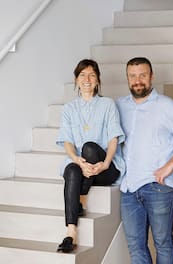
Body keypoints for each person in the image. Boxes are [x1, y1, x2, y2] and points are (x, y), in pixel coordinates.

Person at [116, 57, 173, 264]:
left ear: (151, 77)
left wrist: (169, 166)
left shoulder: (166, 106)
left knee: (163, 243)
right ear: (127, 78)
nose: (138, 80)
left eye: (142, 75)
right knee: (136, 247)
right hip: (129, 189)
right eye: (132, 76)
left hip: (159, 187)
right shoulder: (118, 106)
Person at [56, 59, 125, 253]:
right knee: (71, 169)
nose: (87, 79)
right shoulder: (69, 108)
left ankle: (82, 199)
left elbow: (113, 138)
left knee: (89, 148)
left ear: (98, 80)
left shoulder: (107, 104)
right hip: (82, 165)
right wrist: (76, 160)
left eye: (92, 75)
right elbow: (67, 141)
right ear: (76, 80)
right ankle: (71, 232)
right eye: (82, 75)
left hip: (105, 169)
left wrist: (105, 163)